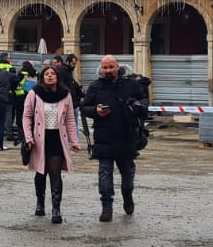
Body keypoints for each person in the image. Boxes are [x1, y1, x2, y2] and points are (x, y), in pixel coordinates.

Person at [80, 54, 148, 222]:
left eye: (111, 67)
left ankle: (127, 196)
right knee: (104, 174)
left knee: (128, 174)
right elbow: (84, 107)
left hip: (127, 135)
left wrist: (137, 108)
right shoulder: (95, 86)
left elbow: (144, 102)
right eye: (105, 67)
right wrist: (96, 111)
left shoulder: (131, 84)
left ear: (118, 67)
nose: (108, 70)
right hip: (104, 136)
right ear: (101, 69)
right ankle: (106, 207)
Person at [22, 66, 81, 224]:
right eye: (46, 74)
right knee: (41, 173)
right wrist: (28, 138)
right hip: (39, 138)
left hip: (57, 138)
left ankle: (56, 209)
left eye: (52, 74)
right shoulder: (34, 93)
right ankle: (40, 203)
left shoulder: (65, 94)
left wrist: (74, 141)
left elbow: (70, 120)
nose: (49, 76)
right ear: (42, 77)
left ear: (57, 77)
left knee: (55, 172)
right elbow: (26, 117)